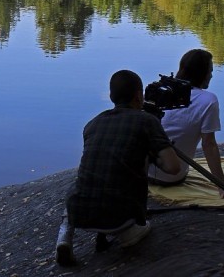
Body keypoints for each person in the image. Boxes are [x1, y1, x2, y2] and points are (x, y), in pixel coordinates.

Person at [56, 69, 181, 266]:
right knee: (140, 228)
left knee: (81, 184)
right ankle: (127, 234)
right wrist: (156, 151)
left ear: (111, 96)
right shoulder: (147, 121)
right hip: (119, 216)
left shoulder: (92, 124)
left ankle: (64, 236)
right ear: (139, 96)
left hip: (79, 210)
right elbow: (173, 168)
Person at [146, 49, 224, 191]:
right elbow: (209, 145)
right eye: (210, 71)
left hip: (137, 172)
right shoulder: (208, 100)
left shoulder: (158, 91)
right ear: (203, 74)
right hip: (170, 176)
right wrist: (222, 185)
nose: (212, 75)